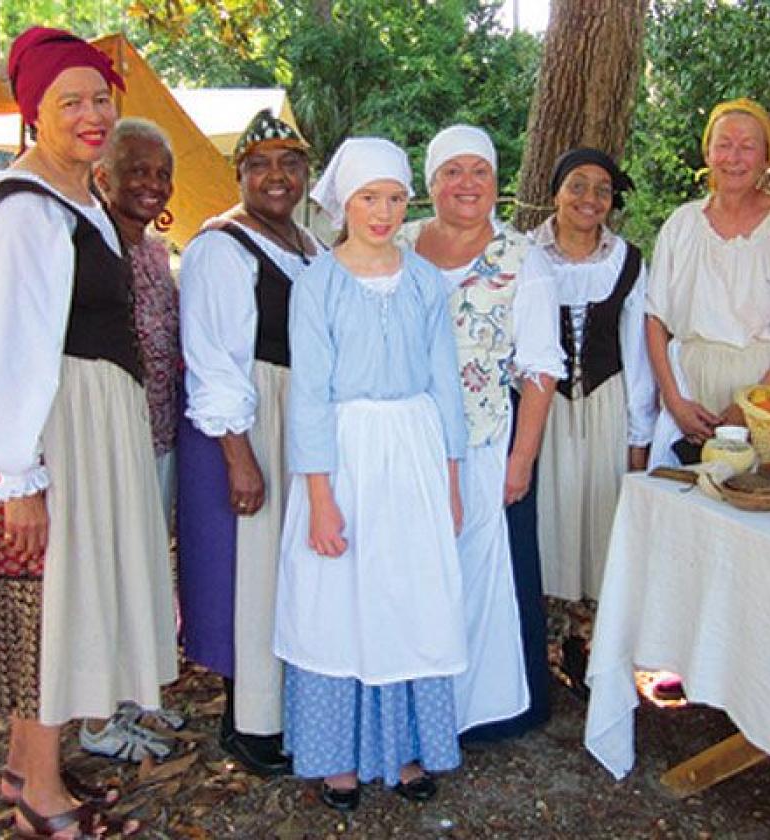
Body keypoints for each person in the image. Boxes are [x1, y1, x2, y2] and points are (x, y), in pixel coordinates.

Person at [0, 27, 177, 838]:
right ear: (33, 112)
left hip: (90, 420)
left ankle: (23, 768)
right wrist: (17, 474)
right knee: (57, 608)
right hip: (54, 428)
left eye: (100, 99)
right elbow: (3, 346)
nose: (91, 114)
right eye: (69, 101)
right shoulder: (26, 209)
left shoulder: (78, 197)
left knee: (68, 599)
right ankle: (43, 802)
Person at [273, 137, 468, 812]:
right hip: (346, 457)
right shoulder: (318, 284)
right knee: (340, 600)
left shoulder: (423, 280)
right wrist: (321, 499)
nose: (382, 213)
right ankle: (339, 758)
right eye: (367, 198)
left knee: (407, 595)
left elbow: (446, 383)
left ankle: (408, 747)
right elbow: (311, 397)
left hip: (412, 451)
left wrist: (450, 479)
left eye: (392, 198)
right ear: (342, 204)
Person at [399, 124, 563, 739]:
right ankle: (412, 705)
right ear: (430, 181)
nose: (467, 184)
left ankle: (475, 711)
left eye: (480, 171)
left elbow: (541, 369)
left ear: (497, 182)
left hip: (488, 439)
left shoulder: (525, 261)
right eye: (452, 171)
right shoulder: (401, 243)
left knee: (477, 576)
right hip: (406, 441)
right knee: (414, 569)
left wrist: (522, 459)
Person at [178, 109, 320, 776]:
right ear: (239, 175)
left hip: (299, 416)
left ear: (305, 175)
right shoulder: (221, 248)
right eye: (260, 164)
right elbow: (212, 358)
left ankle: (290, 705)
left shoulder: (309, 245)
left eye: (289, 164)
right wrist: (239, 455)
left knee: (291, 570)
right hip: (254, 418)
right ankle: (250, 722)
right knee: (253, 572)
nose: (276, 176)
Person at [646, 98, 770, 465]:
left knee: (759, 501)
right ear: (708, 153)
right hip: (690, 391)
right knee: (685, 506)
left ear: (767, 158)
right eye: (723, 144)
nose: (733, 157)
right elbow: (655, 319)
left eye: (747, 146)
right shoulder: (682, 224)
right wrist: (674, 401)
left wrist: (749, 407)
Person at [525, 148, 658, 696]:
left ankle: (589, 644)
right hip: (541, 407)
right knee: (547, 517)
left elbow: (637, 350)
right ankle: (539, 642)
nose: (589, 199)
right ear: (555, 191)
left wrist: (638, 434)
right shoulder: (521, 254)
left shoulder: (626, 260)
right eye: (577, 185)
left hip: (604, 401)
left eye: (602, 190)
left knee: (600, 517)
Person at [77, 116, 184, 763]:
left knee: (143, 568)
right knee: (106, 573)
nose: (151, 184)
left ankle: (133, 691)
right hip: (106, 440)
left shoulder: (150, 249)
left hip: (160, 431)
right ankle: (96, 717)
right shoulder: (88, 247)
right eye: (136, 170)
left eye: (161, 173)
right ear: (103, 176)